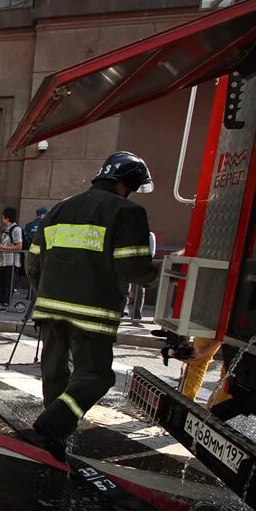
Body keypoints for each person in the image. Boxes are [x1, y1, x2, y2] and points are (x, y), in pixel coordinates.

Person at [25, 151, 158, 462]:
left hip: (49, 307)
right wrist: (161, 278)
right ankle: (54, 423)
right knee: (96, 375)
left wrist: (44, 294)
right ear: (127, 185)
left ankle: (54, 435)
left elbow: (32, 263)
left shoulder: (59, 208)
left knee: (54, 373)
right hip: (93, 312)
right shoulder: (128, 212)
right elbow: (133, 267)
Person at [0, 207, 23, 308]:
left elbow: (19, 246)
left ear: (7, 218)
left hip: (12, 261)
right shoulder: (6, 229)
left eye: (3, 217)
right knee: (2, 282)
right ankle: (1, 300)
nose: (2, 219)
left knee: (8, 283)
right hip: (4, 261)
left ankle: (7, 302)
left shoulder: (16, 229)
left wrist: (4, 247)